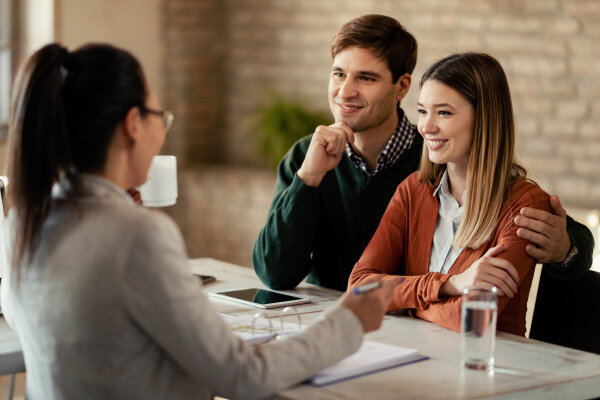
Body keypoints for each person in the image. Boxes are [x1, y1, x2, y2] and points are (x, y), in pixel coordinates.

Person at [0, 43, 401, 400]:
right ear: (133, 124)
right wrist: (348, 323)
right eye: (162, 116)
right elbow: (243, 376)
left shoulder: (22, 219)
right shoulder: (136, 233)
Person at [252, 14, 594, 292]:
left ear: (401, 86)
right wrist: (308, 179)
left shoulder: (437, 154)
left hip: (414, 324)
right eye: (338, 74)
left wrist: (567, 248)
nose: (345, 91)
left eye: (365, 78)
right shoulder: (306, 157)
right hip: (336, 320)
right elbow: (275, 274)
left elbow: (557, 230)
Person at [350, 52, 551, 336]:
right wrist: (448, 285)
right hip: (416, 357)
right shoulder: (413, 190)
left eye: (443, 112)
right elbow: (359, 287)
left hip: (486, 368)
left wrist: (398, 302)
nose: (427, 127)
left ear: (484, 118)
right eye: (422, 111)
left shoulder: (525, 205)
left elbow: (469, 318)